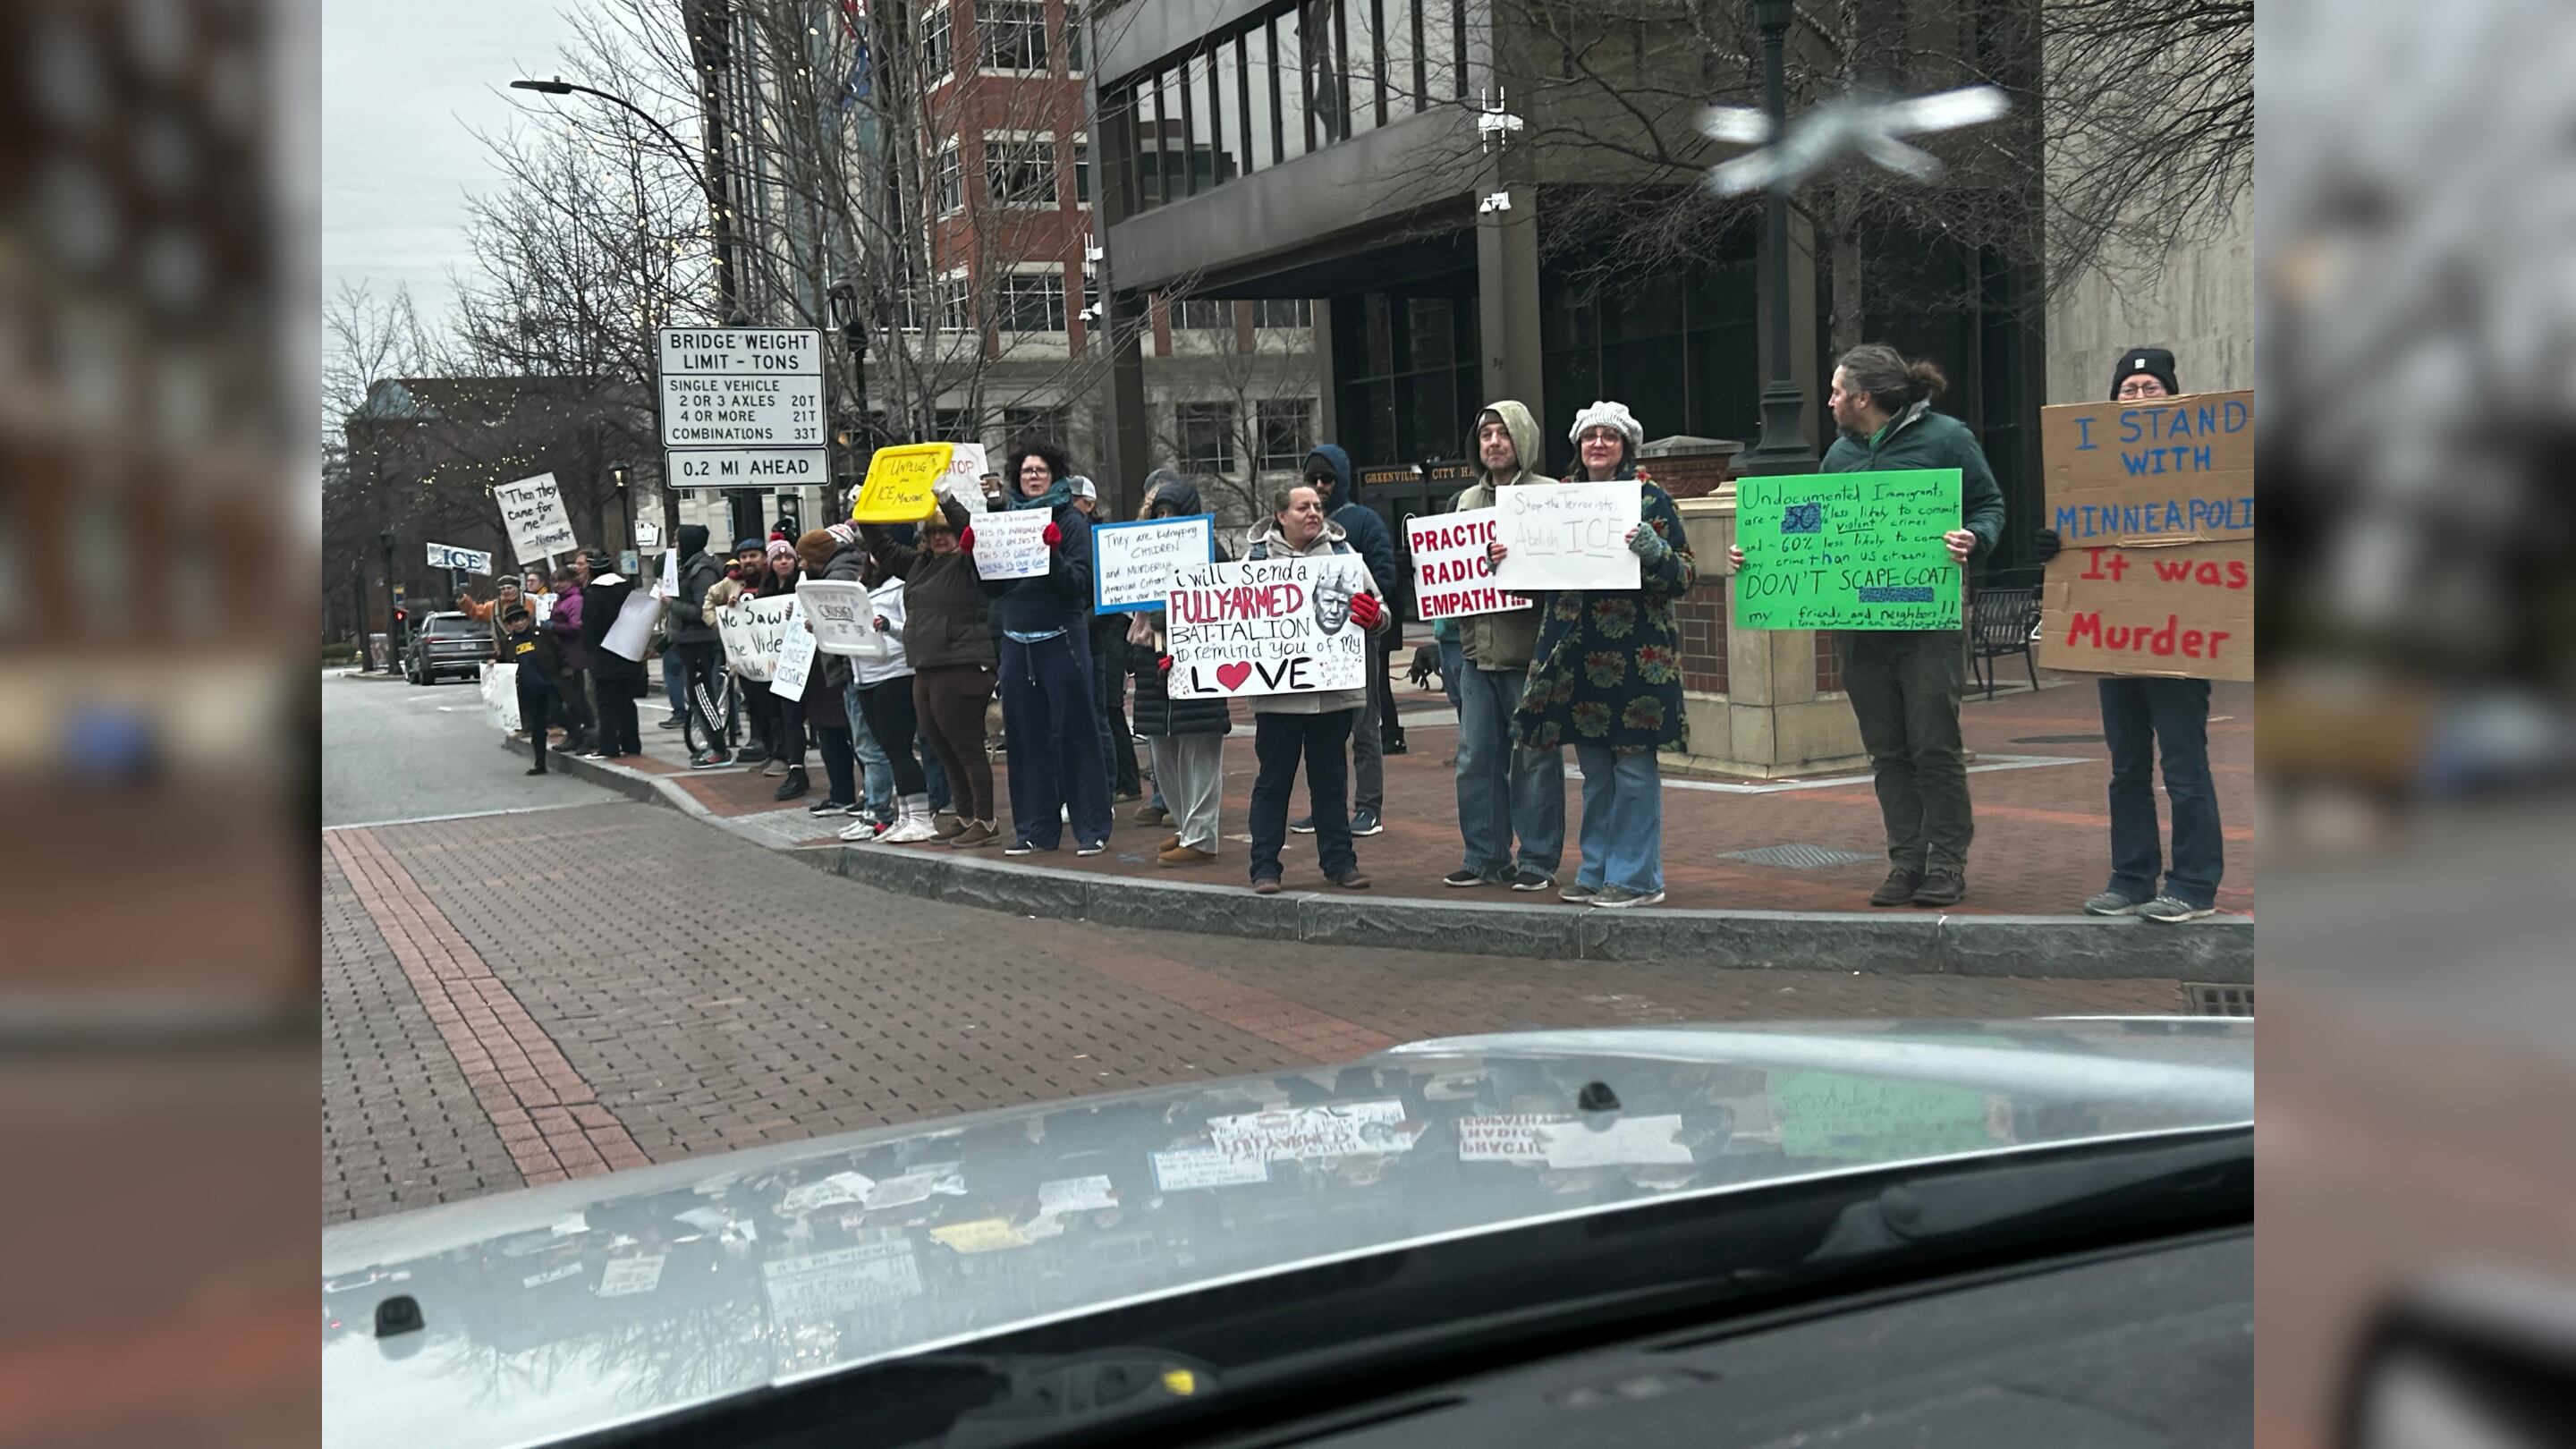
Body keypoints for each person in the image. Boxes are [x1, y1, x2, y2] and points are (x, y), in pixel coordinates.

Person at [1729, 343, 2005, 907]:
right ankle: (1907, 861)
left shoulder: (1947, 439)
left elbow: (1990, 504)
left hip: (1927, 626)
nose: (1828, 401)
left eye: (1835, 392)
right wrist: (1758, 552)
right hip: (1860, 628)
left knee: (1934, 746)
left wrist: (1975, 537)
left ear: (1863, 397)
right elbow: (1809, 528)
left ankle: (1948, 862)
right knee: (1886, 750)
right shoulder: (1838, 456)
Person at [2036, 347, 2223, 925]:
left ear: (2173, 397)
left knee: (2184, 767)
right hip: (2115, 638)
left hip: (2179, 638)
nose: (2139, 398)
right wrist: (2055, 548)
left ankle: (2193, 885)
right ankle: (2133, 877)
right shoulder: (2094, 470)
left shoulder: (2205, 465)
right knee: (2126, 766)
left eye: (2151, 388)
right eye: (2130, 389)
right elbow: (2080, 533)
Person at [1496, 401, 1696, 908]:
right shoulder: (1558, 501)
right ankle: (1597, 867)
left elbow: (1685, 576)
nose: (1598, 445)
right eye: (1590, 437)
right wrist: (1508, 559)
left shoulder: (1651, 499)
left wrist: (1655, 552)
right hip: (1574, 655)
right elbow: (1536, 581)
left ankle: (1637, 877)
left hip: (1635, 657)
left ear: (1626, 445)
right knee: (1594, 770)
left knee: (1632, 767)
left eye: (1609, 436)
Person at [1242, 482, 1391, 894]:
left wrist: (1373, 616)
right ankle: (1264, 868)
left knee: (1330, 781)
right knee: (1274, 782)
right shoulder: (1255, 561)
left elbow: (1382, 612)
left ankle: (1340, 864)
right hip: (1278, 698)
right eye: (1303, 507)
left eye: (1318, 506)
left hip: (1333, 697)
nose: (1313, 513)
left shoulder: (1345, 558)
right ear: (1280, 516)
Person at [1445, 401, 1567, 892]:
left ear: (1523, 440)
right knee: (1475, 759)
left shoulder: (1551, 495)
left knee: (1535, 760)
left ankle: (1538, 859)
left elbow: (1564, 571)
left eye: (1502, 434)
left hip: (1530, 656)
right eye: (1485, 435)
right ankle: (1484, 856)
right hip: (1477, 654)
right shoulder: (1463, 503)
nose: (1493, 443)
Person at [985, 442, 1113, 856]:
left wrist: (1053, 554)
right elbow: (993, 589)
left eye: (1040, 470)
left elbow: (1079, 584)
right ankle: (1035, 829)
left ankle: (1092, 827)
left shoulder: (1071, 521)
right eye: (1026, 472)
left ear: (1055, 476)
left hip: (1061, 639)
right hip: (1017, 643)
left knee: (1076, 733)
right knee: (1024, 739)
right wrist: (977, 556)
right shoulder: (1004, 520)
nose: (1033, 477)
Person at [864, 498, 1001, 846]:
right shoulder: (919, 564)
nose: (941, 537)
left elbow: (976, 534)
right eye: (934, 531)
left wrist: (948, 502)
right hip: (926, 664)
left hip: (962, 663)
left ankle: (985, 820)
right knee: (941, 745)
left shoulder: (971, 562)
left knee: (967, 745)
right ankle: (965, 814)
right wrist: (866, 509)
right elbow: (881, 545)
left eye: (947, 530)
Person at [1288, 444, 1401, 840]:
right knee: (1323, 731)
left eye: (1327, 479)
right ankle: (1326, 807)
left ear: (1341, 481)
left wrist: (1368, 605)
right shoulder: (1297, 528)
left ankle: (1369, 808)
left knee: (1365, 726)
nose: (1319, 487)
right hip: (1314, 646)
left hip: (1357, 640)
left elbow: (1386, 574)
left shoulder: (1365, 521)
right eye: (1313, 480)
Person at [1124, 473, 1232, 867]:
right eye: (1160, 511)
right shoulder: (1144, 550)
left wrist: (1164, 616)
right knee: (1162, 748)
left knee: (1199, 748)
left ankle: (1202, 835)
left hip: (1196, 658)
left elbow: (1220, 602)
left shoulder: (1210, 550)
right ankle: (1187, 827)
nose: (1165, 518)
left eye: (1172, 511)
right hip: (1152, 658)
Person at [1080, 475, 1144, 805]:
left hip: (1107, 636)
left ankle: (1125, 781)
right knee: (1105, 711)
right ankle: (1124, 779)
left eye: (1075, 500)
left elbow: (1111, 598)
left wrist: (1080, 623)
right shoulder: (1079, 541)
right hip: (1095, 635)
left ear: (1089, 504)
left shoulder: (1103, 542)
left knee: (1109, 710)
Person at [665, 524, 732, 767]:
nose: (676, 545)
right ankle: (713, 745)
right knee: (697, 695)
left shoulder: (701, 572)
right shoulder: (691, 567)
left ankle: (719, 748)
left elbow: (702, 610)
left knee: (703, 696)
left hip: (700, 642)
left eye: (678, 540)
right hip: (690, 641)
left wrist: (671, 604)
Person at [577, 550, 646, 758]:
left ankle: (609, 746)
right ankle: (632, 744)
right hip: (629, 652)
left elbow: (590, 629)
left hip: (604, 655)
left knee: (606, 703)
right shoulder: (627, 588)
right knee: (627, 701)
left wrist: (590, 652)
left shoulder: (592, 594)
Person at [758, 538, 809, 800]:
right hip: (777, 663)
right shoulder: (765, 589)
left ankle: (797, 767)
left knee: (799, 716)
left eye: (788, 557)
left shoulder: (802, 585)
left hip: (801, 660)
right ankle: (793, 765)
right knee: (784, 716)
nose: (784, 561)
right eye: (778, 558)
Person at [498, 602, 563, 774]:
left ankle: (578, 738)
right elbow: (503, 664)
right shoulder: (509, 642)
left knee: (560, 714)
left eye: (521, 619)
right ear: (509, 625)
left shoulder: (541, 635)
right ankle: (540, 762)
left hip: (549, 685)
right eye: (513, 622)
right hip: (529, 690)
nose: (518, 624)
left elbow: (558, 653)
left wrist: (562, 674)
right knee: (537, 727)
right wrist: (493, 664)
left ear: (527, 619)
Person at [546, 565, 593, 753]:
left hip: (573, 655)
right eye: (555, 581)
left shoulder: (574, 600)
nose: (558, 585)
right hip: (562, 654)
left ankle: (582, 735)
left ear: (572, 582)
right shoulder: (561, 600)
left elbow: (577, 627)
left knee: (575, 699)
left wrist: (553, 626)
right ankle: (579, 735)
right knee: (571, 698)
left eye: (561, 581)